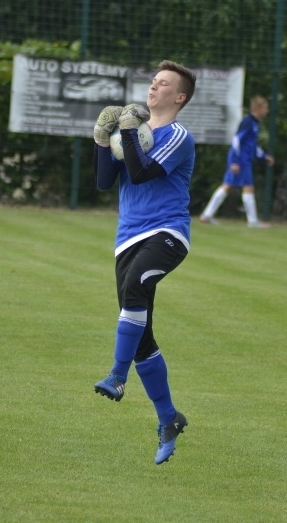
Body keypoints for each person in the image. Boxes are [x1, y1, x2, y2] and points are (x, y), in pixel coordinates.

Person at [91, 60, 197, 465]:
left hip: (167, 234)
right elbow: (105, 181)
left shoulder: (177, 136)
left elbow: (140, 174)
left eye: (163, 84)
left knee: (136, 288)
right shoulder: (133, 133)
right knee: (142, 337)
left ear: (179, 97)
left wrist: (130, 131)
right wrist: (102, 140)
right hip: (126, 240)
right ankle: (169, 419)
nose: (153, 88)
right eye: (153, 82)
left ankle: (117, 378)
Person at [199, 95, 275, 227]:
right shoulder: (248, 122)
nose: (267, 111)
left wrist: (264, 156)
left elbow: (252, 145)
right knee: (248, 187)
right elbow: (237, 141)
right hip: (241, 161)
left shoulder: (255, 123)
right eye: (266, 108)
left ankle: (206, 215)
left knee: (227, 186)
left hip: (243, 160)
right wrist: (234, 161)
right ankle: (252, 221)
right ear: (258, 108)